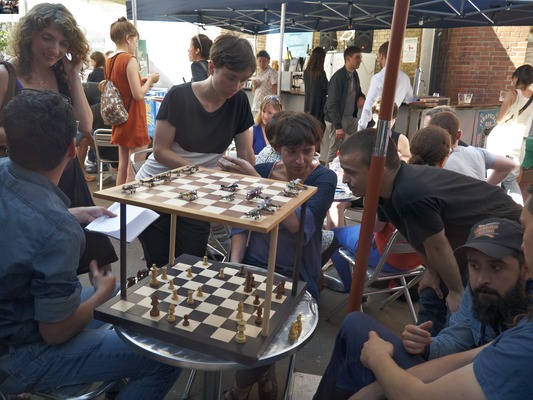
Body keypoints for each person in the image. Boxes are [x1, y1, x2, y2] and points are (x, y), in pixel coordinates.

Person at [0, 90, 181, 398]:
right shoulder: (58, 232)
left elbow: (21, 218)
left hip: (14, 317)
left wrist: (75, 213)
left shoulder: (5, 170)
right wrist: (100, 294)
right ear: (73, 149)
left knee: (125, 297)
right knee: (163, 357)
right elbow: (55, 332)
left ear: (8, 141)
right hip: (21, 355)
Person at [314, 217, 531, 400]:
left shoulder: (525, 334)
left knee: (360, 341)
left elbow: (419, 395)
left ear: (525, 270)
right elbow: (457, 342)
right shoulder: (479, 291)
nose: (482, 279)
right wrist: (426, 346)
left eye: (496, 267)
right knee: (355, 326)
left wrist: (378, 363)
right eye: (474, 265)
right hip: (461, 376)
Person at [339, 129, 522, 334]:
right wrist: (432, 272)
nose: (345, 179)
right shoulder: (384, 191)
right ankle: (426, 346)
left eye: (351, 172)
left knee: (463, 319)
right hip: (465, 246)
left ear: (379, 169)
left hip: (502, 235)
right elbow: (417, 237)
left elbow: (437, 246)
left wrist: (456, 291)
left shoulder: (409, 193)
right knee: (430, 296)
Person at [221, 112, 336, 400]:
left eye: (308, 151)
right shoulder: (262, 170)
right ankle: (266, 377)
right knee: (244, 324)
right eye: (291, 151)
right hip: (254, 264)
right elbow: (242, 221)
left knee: (266, 330)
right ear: (277, 147)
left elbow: (297, 226)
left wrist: (257, 184)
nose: (300, 160)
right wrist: (234, 263)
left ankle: (239, 389)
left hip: (296, 273)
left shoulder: (323, 178)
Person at [0, 2, 117, 276]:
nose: (55, 49)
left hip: (66, 172)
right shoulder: (6, 74)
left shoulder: (62, 74)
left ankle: (92, 300)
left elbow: (86, 125)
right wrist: (34, 140)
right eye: (47, 38)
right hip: (24, 178)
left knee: (93, 256)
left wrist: (74, 75)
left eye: (63, 43)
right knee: (43, 259)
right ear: (29, 34)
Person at [136, 34, 256, 268]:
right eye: (231, 77)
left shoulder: (239, 102)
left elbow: (246, 155)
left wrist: (251, 184)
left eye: (243, 80)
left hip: (196, 193)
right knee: (160, 267)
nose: (236, 87)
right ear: (211, 67)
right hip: (155, 189)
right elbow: (160, 151)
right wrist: (206, 174)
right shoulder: (179, 95)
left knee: (191, 263)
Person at [330, 126, 448, 292]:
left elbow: (375, 227)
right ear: (444, 159)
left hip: (389, 258)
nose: (345, 178)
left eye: (350, 172)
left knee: (333, 235)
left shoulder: (391, 190)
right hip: (420, 260)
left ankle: (352, 289)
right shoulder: (434, 182)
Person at [107, 17, 160, 186]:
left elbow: (123, 87)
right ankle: (130, 203)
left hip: (120, 118)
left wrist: (141, 81)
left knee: (122, 168)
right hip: (134, 118)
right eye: (136, 41)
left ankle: (118, 201)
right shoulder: (129, 59)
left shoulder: (110, 60)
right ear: (127, 38)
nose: (136, 45)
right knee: (134, 171)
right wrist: (150, 80)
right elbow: (138, 95)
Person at [428, 111, 515, 184]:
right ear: (459, 134)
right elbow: (510, 165)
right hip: (480, 198)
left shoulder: (434, 161)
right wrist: (486, 187)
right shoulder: (478, 153)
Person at [488, 64, 533, 204]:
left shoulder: (512, 94)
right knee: (510, 180)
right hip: (520, 141)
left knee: (493, 176)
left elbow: (499, 119)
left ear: (516, 78)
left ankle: (488, 207)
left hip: (503, 139)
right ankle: (518, 210)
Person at [321, 46, 365, 166]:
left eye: (360, 57)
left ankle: (352, 167)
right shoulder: (338, 78)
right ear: (348, 58)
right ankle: (328, 172)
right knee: (335, 149)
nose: (360, 60)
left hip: (350, 117)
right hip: (337, 118)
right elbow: (331, 104)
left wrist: (361, 97)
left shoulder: (354, 75)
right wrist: (338, 126)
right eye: (357, 57)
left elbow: (359, 92)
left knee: (362, 137)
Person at [357, 41, 413, 131]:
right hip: (391, 121)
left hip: (375, 121)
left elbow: (369, 105)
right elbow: (409, 99)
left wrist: (361, 127)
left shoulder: (378, 78)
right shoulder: (405, 78)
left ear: (382, 56)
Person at [303, 46, 328, 127]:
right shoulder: (321, 73)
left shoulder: (306, 72)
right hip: (319, 108)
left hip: (308, 107)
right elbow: (327, 88)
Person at [251, 50, 278, 115]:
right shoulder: (258, 74)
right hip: (256, 105)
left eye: (264, 61)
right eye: (259, 61)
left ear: (268, 61)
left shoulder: (272, 72)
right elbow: (253, 92)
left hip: (266, 107)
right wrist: (254, 86)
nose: (261, 63)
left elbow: (275, 89)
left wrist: (272, 105)